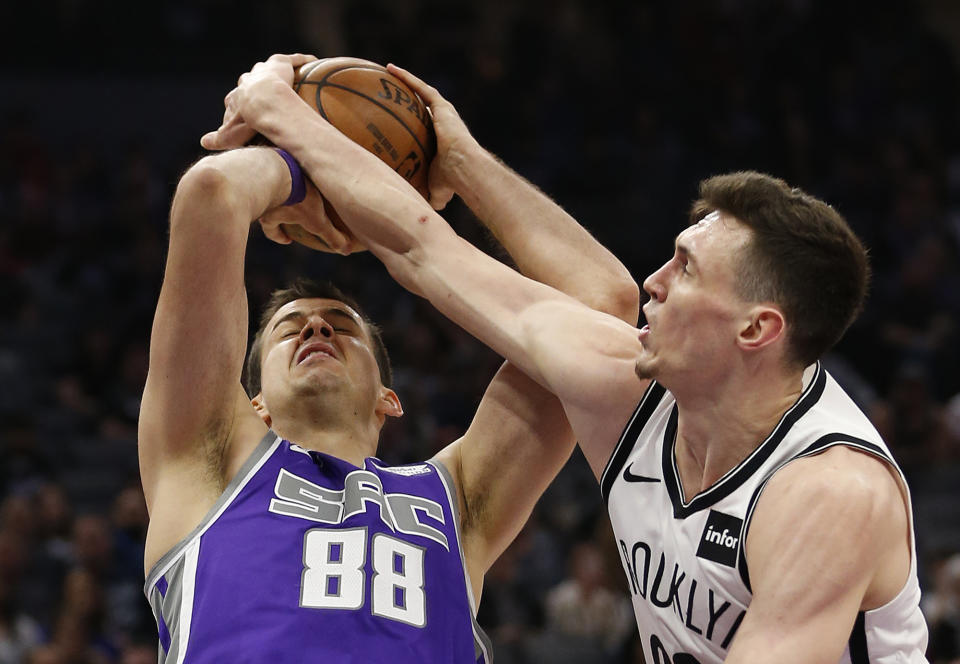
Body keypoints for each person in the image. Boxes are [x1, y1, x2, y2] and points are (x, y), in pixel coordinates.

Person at [201, 54, 930, 663]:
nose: (655, 281)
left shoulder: (828, 496)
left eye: (685, 269)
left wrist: (279, 112)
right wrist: (440, 155)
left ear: (755, 330)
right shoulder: (630, 390)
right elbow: (425, 250)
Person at [138, 60, 639, 662]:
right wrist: (304, 167)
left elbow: (604, 304)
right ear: (256, 405)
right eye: (287, 330)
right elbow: (211, 192)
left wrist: (460, 163)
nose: (317, 325)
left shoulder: (458, 499)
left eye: (342, 327)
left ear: (389, 399)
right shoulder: (207, 463)